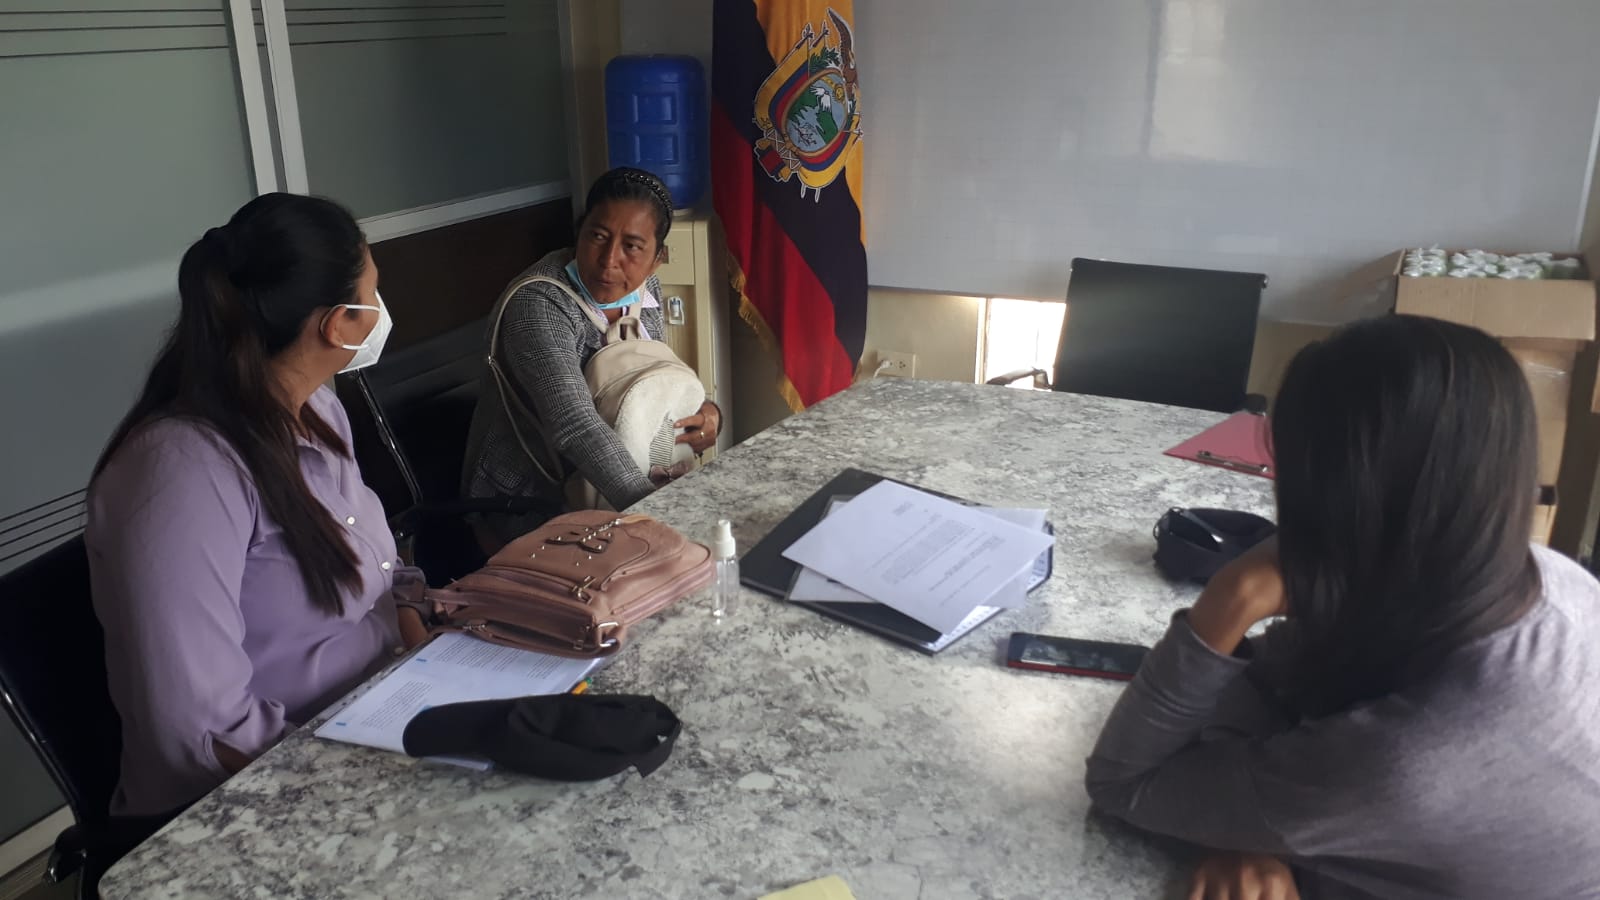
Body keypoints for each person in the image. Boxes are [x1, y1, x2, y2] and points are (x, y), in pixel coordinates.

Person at [1085, 315, 1600, 900]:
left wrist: (1232, 598)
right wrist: (1254, 822)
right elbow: (1272, 676)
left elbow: (1124, 781)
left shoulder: (1403, 764)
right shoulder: (1549, 577)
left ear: (1327, 501)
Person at [87, 193, 429, 818]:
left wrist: (425, 654)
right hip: (255, 797)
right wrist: (362, 786)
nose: (381, 310)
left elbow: (382, 575)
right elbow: (202, 731)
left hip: (372, 714)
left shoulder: (317, 408)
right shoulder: (182, 471)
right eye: (372, 294)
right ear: (337, 324)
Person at [462, 167, 720, 546]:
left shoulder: (643, 286)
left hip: (609, 483)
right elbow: (574, 424)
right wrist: (656, 511)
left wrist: (707, 412)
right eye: (598, 236)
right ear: (579, 232)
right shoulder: (539, 302)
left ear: (657, 258)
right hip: (529, 501)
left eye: (632, 246)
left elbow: (652, 376)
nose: (609, 260)